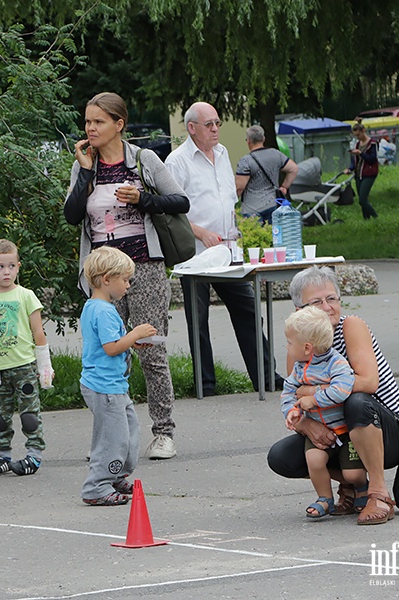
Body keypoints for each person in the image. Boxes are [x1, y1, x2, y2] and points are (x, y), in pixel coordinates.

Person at [64, 91, 189, 460]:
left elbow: (180, 201)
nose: (90, 128)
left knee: (150, 350)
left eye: (98, 121)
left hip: (144, 267)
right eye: (87, 121)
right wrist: (86, 172)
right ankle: (111, 436)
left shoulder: (143, 159)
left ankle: (163, 432)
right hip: (102, 275)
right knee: (107, 355)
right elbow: (73, 215)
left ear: (119, 124)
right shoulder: (85, 164)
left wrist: (142, 199)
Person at [267, 266, 399, 525]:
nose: (327, 307)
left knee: (356, 402)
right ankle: (351, 483)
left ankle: (379, 494)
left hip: (387, 430)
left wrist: (313, 392)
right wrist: (305, 424)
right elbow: (293, 394)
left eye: (332, 298)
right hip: (339, 431)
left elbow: (368, 383)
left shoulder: (350, 326)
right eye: (316, 302)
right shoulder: (299, 345)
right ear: (299, 312)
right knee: (281, 457)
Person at [165, 102, 283, 395]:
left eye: (217, 123)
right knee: (198, 319)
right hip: (195, 254)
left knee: (247, 308)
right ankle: (205, 384)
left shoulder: (222, 153)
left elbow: (228, 199)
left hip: (226, 250)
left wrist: (235, 230)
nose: (216, 129)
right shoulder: (176, 161)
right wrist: (202, 233)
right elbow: (171, 211)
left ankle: (266, 376)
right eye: (210, 124)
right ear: (192, 128)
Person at [79, 247, 155, 506]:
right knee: (113, 437)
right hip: (104, 387)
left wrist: (132, 343)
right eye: (124, 279)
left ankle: (116, 474)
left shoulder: (99, 307)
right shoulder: (103, 310)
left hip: (112, 385)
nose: (128, 285)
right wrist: (134, 335)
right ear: (105, 279)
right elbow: (111, 347)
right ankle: (96, 486)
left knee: (129, 431)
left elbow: (111, 343)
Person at [0, 239, 53, 477]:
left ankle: (34, 455)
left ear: (18, 266)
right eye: (0, 267)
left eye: (10, 266)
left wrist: (44, 365)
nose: (6, 272)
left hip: (23, 366)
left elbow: (38, 332)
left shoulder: (26, 296)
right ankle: (3, 456)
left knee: (29, 415)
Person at [281, 307, 365, 519]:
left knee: (353, 473)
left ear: (307, 347)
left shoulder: (337, 363)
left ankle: (362, 488)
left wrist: (313, 399)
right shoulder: (300, 368)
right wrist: (291, 411)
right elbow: (288, 391)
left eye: (290, 343)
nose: (287, 347)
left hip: (344, 430)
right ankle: (324, 498)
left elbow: (343, 389)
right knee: (314, 461)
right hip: (318, 428)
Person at [236, 125, 298, 224]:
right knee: (275, 237)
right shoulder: (276, 154)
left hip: (251, 209)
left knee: (256, 238)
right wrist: (284, 186)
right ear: (263, 139)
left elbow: (239, 187)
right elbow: (293, 168)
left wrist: (231, 203)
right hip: (273, 205)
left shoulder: (246, 161)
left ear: (248, 141)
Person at [343, 123, 380, 220]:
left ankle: (376, 217)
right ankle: (366, 219)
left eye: (358, 135)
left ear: (363, 131)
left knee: (362, 199)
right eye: (356, 136)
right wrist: (350, 169)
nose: (357, 137)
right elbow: (355, 161)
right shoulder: (358, 144)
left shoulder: (372, 144)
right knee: (362, 199)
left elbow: (372, 159)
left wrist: (361, 153)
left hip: (369, 173)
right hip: (359, 174)